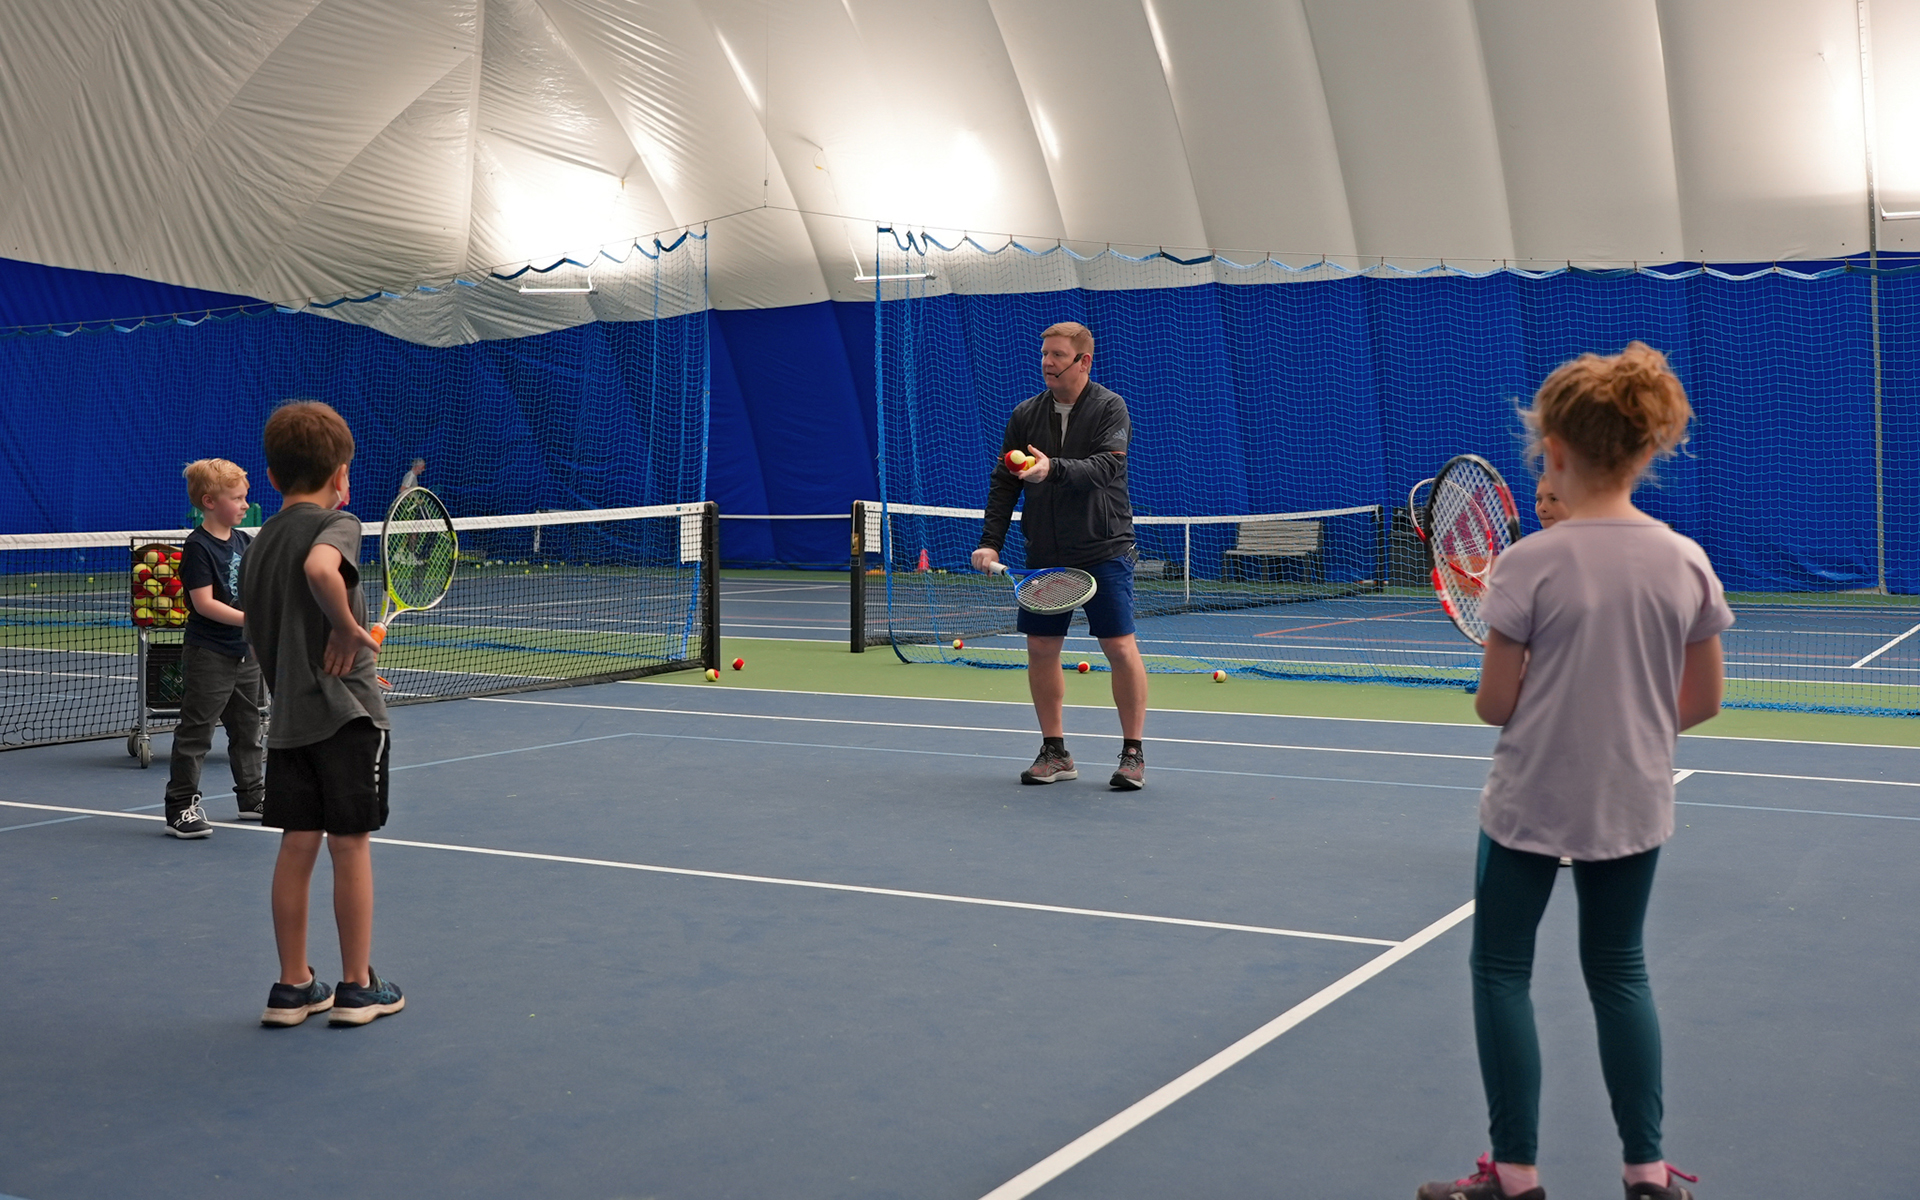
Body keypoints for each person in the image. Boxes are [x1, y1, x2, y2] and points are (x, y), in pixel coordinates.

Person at [1419, 342, 1729, 1200]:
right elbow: (1703, 699)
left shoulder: (1526, 565)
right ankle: (1647, 1173)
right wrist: (1624, 731)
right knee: (1620, 970)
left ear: (1553, 450)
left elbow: (1495, 705)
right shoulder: (1685, 559)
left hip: (1528, 801)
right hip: (1633, 798)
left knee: (1500, 970)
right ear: (1644, 449)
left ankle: (1515, 1175)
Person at [243, 401, 404, 1027]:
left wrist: (328, 638)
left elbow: (268, 634)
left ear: (271, 476)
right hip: (347, 719)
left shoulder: (257, 545)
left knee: (296, 845)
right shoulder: (338, 524)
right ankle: (358, 987)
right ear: (340, 475)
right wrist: (344, 626)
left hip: (289, 723)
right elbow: (318, 569)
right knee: (350, 845)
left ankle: (293, 987)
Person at [971, 321, 1149, 789]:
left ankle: (1133, 754)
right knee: (1042, 648)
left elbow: (1106, 467)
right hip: (1045, 552)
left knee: (1119, 647)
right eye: (1044, 354)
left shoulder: (1110, 407)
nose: (1047, 362)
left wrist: (1052, 469)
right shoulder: (1026, 414)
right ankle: (1055, 752)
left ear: (1083, 361)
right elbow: (1005, 483)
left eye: (1057, 355)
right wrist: (990, 541)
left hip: (1103, 547)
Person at [162, 459, 266, 837]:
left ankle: (252, 797)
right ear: (209, 501)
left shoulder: (245, 542)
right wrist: (252, 621)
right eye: (236, 498)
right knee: (197, 733)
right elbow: (204, 604)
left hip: (245, 655)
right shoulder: (198, 547)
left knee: (249, 729)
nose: (244, 504)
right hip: (209, 655)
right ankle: (181, 806)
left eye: (244, 497)